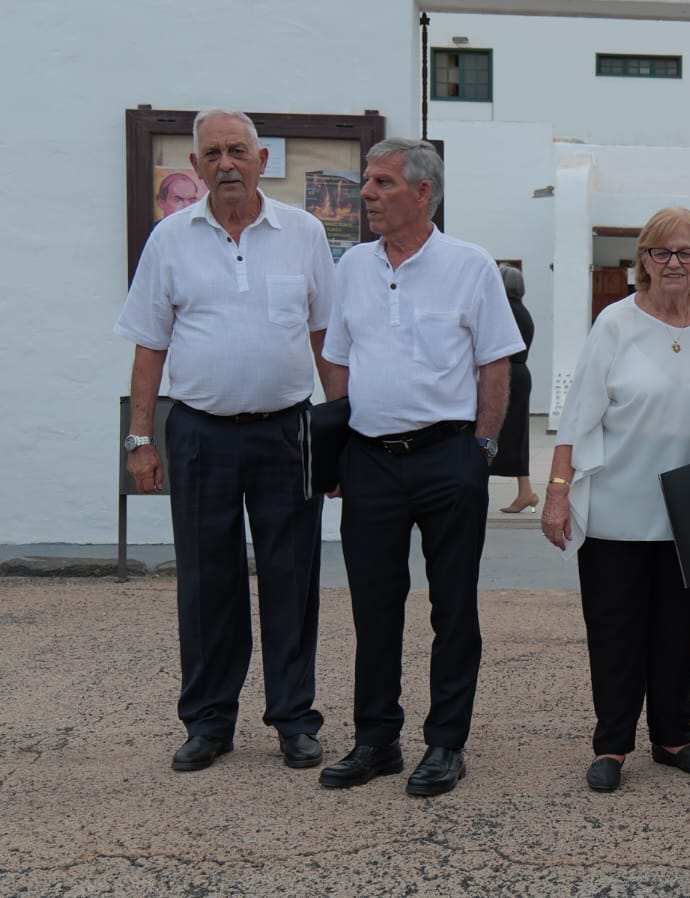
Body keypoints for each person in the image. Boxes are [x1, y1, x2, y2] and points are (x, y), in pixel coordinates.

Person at [114, 108, 334, 773]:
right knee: (207, 583)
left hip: (287, 432)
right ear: (195, 166)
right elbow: (150, 346)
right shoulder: (170, 239)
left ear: (262, 158)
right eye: (212, 153)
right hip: (201, 434)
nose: (226, 163)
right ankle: (209, 722)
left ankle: (294, 719)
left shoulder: (304, 232)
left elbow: (328, 338)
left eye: (238, 150)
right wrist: (140, 440)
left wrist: (344, 431)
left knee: (292, 579)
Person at [317, 138, 524, 797]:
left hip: (448, 459)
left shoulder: (470, 266)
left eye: (380, 183)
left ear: (422, 193)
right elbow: (337, 357)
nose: (367, 195)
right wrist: (346, 434)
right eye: (366, 183)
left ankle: (445, 744)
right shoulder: (352, 267)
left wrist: (482, 451)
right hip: (370, 460)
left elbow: (496, 363)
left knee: (453, 608)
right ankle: (376, 741)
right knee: (375, 608)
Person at [539, 207, 690, 793]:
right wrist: (557, 492)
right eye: (661, 252)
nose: (674, 263)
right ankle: (613, 745)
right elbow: (577, 418)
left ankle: (673, 737)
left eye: (686, 252)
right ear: (642, 260)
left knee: (680, 632)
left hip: (688, 516)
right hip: (618, 510)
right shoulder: (615, 324)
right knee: (616, 633)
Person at [493, 263, 539, 514]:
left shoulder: (505, 310)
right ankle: (525, 491)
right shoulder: (523, 311)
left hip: (505, 376)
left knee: (491, 432)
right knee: (515, 434)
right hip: (518, 375)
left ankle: (524, 492)